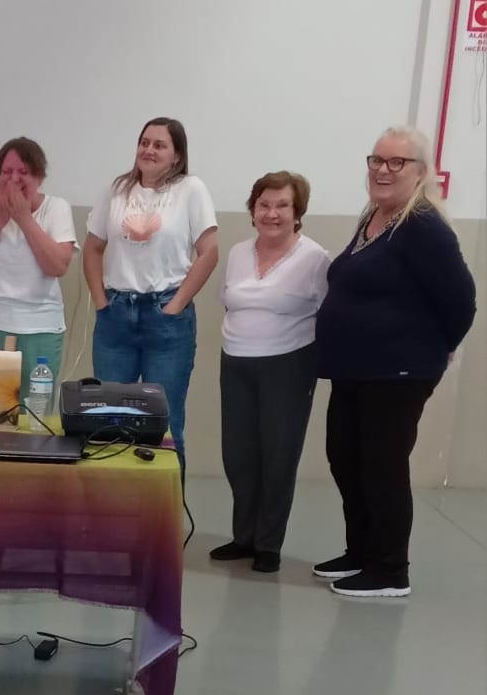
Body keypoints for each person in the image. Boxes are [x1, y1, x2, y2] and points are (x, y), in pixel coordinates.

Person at [314, 126, 476, 598]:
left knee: (381, 466)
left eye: (396, 162)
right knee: (346, 458)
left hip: (398, 371)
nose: (382, 170)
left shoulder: (421, 224)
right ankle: (361, 552)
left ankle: (389, 570)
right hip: (357, 369)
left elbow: (461, 299)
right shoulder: (376, 216)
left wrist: (442, 345)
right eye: (377, 160)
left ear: (421, 172)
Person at [84, 117, 218, 474]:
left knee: (166, 425)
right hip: (116, 313)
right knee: (111, 421)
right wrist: (100, 301)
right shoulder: (116, 190)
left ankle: (168, 510)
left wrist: (176, 305)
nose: (149, 150)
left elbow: (209, 252)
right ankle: (117, 505)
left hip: (166, 316)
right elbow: (93, 248)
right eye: (144, 142)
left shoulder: (191, 190)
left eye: (160, 145)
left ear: (177, 155)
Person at [212, 171, 330, 573]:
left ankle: (268, 544)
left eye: (283, 206)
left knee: (278, 456)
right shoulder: (237, 253)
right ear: (253, 210)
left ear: (298, 213)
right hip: (236, 362)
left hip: (289, 364)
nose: (272, 213)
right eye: (264, 205)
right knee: (238, 456)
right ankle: (243, 537)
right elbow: (229, 302)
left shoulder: (315, 258)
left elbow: (329, 314)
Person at [0, 137, 76, 404]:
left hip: (41, 327)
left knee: (33, 412)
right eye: (7, 172)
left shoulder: (56, 208)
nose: (14, 179)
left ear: (39, 177)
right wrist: (0, 219)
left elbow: (58, 265)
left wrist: (23, 218)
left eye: (24, 172)